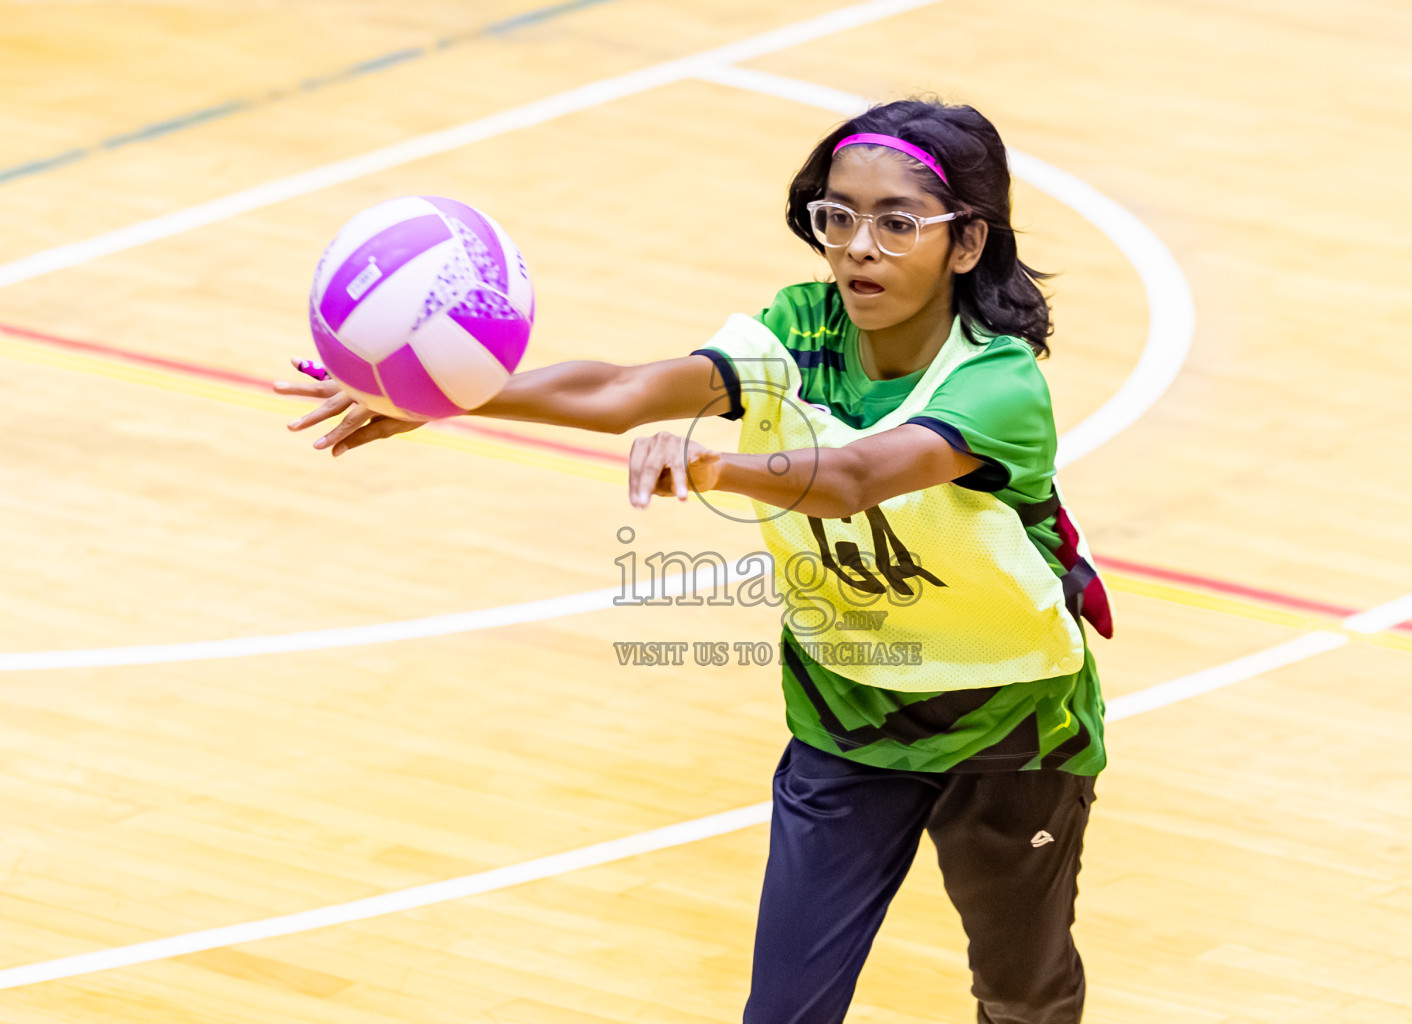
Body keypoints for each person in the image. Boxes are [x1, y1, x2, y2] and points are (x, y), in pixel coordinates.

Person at [279, 98, 1112, 1024]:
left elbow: (855, 476)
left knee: (1020, 995)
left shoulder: (998, 382)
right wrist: (450, 393)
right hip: (848, 706)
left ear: (966, 244)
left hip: (1011, 725)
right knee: (782, 1010)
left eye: (896, 222)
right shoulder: (799, 327)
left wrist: (714, 463)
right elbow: (623, 389)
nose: (858, 247)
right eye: (836, 217)